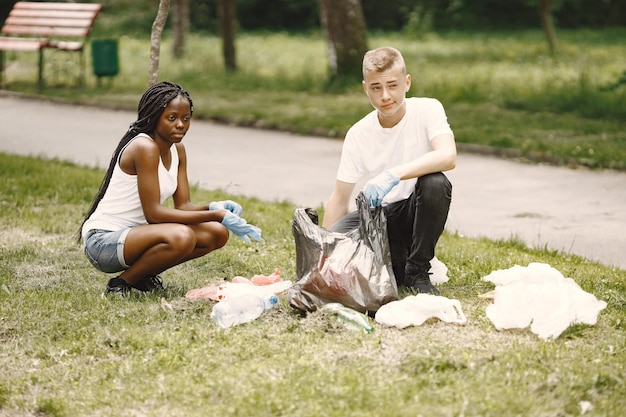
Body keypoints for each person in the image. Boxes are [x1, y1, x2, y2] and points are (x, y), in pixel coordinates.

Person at [78, 81, 262, 296]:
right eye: (171, 118)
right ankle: (120, 284)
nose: (181, 125)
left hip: (138, 237)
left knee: (216, 233)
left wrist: (213, 207)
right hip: (103, 242)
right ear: (154, 117)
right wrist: (217, 214)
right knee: (181, 235)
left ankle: (142, 275)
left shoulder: (178, 150)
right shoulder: (144, 147)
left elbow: (183, 206)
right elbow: (154, 214)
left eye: (186, 118)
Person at [322, 47, 456, 295]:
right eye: (376, 87)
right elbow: (339, 198)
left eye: (392, 85)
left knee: (435, 183)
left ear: (407, 83)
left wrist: (393, 174)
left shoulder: (428, 109)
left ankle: (417, 272)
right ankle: (396, 264)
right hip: (381, 218)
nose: (385, 96)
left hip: (414, 214)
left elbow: (447, 156)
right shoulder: (358, 133)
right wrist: (322, 252)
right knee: (338, 243)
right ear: (365, 88)